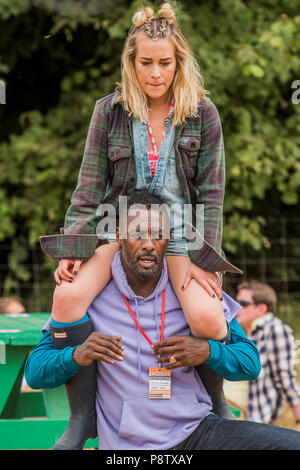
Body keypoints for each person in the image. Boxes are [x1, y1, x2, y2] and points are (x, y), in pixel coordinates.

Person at [25, 195, 300, 450]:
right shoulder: (90, 296)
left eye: (158, 235)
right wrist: (77, 355)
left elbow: (250, 363)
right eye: (137, 234)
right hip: (126, 446)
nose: (148, 243)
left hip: (198, 432)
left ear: (168, 239)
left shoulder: (192, 294)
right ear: (119, 236)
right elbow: (35, 372)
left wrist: (207, 351)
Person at [232, 280, 300, 430]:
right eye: (234, 302)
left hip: (249, 418)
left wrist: (298, 415)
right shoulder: (238, 330)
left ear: (261, 308)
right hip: (228, 412)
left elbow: (284, 378)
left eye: (242, 303)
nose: (236, 307)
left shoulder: (275, 330)